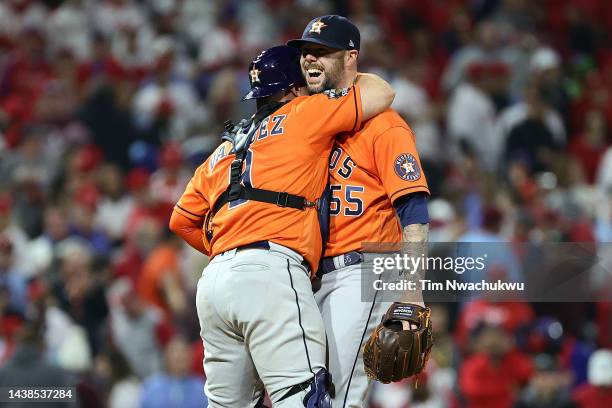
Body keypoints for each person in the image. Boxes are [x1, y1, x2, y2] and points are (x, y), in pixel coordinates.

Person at [169, 45, 394, 407]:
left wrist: (233, 245)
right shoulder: (303, 112)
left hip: (214, 286)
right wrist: (343, 72)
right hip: (270, 270)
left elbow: (181, 220)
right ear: (294, 87)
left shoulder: (225, 148)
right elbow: (382, 92)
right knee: (305, 399)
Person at [287, 15, 430, 407]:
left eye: (322, 53)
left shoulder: (385, 126)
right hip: (314, 275)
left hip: (365, 271)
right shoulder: (317, 124)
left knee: (338, 395)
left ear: (351, 57)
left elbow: (414, 211)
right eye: (306, 53)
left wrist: (412, 288)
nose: (310, 60)